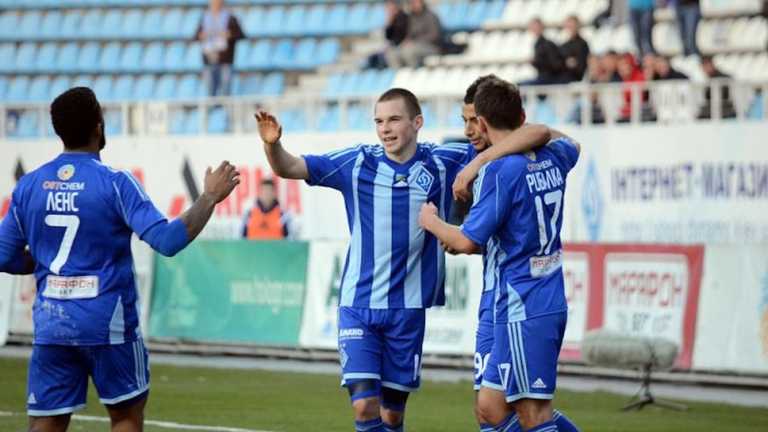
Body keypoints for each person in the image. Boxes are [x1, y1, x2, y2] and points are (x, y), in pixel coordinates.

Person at [256, 87, 550, 432]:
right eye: (379, 121)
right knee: (365, 406)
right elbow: (289, 167)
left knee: (392, 416)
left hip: (408, 311)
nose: (385, 128)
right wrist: (273, 145)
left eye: (394, 119)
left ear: (417, 122)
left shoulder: (443, 160)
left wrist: (476, 166)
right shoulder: (356, 163)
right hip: (358, 305)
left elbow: (527, 136)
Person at [0, 87, 240, 432]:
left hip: (52, 324)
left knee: (47, 422)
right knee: (125, 417)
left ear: (58, 131)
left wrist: (40, 262)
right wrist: (210, 197)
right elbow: (168, 241)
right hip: (107, 324)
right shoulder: (115, 183)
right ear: (99, 125)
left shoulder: (29, 186)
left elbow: (4, 255)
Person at [418, 77, 581, 432]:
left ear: (483, 122)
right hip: (523, 298)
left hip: (523, 302)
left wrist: (430, 221)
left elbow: (466, 242)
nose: (468, 129)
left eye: (472, 120)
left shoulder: (499, 171)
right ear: (521, 115)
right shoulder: (554, 155)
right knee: (491, 408)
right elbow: (567, 142)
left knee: (532, 414)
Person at [195, 0, 245, 97]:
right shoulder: (205, 18)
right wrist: (201, 36)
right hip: (209, 58)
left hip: (225, 59)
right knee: (210, 90)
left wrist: (229, 34)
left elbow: (240, 34)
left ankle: (225, 111)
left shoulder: (230, 18)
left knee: (225, 89)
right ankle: (213, 111)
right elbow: (196, 36)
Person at [385, 0, 443, 68]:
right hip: (413, 46)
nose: (413, 4)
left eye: (415, 2)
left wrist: (415, 42)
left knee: (409, 51)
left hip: (431, 47)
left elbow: (434, 36)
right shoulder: (410, 17)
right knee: (392, 54)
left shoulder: (431, 16)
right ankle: (400, 75)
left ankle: (414, 73)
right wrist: (391, 22)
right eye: (411, 2)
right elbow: (391, 36)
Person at [367, 0, 409, 69]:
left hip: (400, 47)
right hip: (394, 46)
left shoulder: (403, 17)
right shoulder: (392, 20)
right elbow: (388, 36)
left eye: (390, 6)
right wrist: (389, 23)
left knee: (390, 55)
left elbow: (401, 35)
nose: (388, 9)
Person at [526, 18, 564, 85]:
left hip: (549, 78)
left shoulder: (548, 44)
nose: (535, 29)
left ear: (542, 27)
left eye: (537, 27)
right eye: (533, 27)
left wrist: (536, 62)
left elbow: (555, 65)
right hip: (543, 77)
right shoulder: (537, 44)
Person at [559, 15, 591, 83]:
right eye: (569, 26)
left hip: (574, 77)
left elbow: (581, 65)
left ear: (578, 26)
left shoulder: (582, 44)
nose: (571, 28)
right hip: (562, 74)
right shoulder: (564, 45)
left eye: (573, 26)